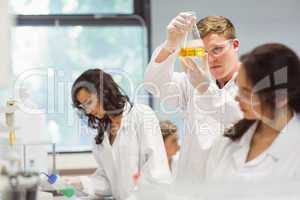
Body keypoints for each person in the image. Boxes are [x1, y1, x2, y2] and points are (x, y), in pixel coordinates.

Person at [144, 14, 242, 181]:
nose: (210, 59)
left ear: (234, 45)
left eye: (217, 49)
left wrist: (206, 89)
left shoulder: (252, 84)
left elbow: (239, 117)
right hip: (190, 187)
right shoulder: (192, 83)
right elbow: (153, 84)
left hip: (230, 186)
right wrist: (171, 43)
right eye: (202, 52)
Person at [203, 43, 300, 180]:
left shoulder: (295, 153)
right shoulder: (226, 142)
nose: (237, 98)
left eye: (247, 92)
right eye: (239, 88)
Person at [71, 69, 171, 200]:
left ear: (104, 93)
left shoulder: (142, 116)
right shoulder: (103, 135)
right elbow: (109, 181)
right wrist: (80, 183)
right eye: (84, 107)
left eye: (89, 102)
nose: (88, 111)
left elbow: (156, 173)